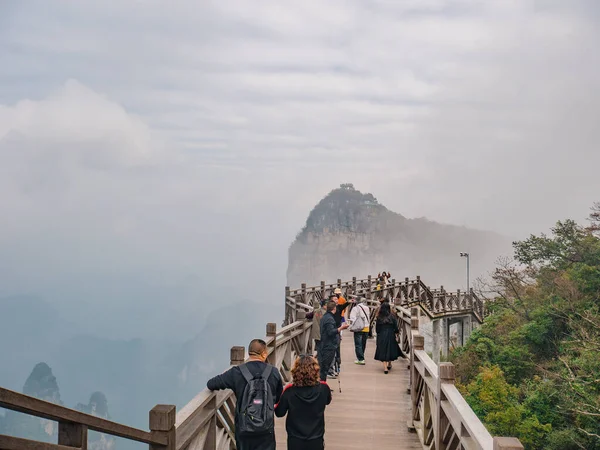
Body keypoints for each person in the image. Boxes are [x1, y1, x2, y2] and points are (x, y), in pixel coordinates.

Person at [206, 339, 283, 450]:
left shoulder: (236, 372)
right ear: (264, 354)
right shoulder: (274, 372)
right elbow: (276, 399)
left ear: (249, 353)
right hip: (266, 428)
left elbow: (211, 384)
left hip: (244, 428)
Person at [275, 355, 332, 450]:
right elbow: (327, 401)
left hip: (295, 439)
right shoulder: (324, 388)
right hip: (316, 438)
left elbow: (279, 413)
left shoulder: (289, 391)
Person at [318, 300, 348, 381]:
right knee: (325, 368)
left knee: (324, 368)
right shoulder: (330, 319)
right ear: (334, 308)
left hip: (324, 344)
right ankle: (322, 386)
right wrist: (341, 328)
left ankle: (323, 385)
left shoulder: (325, 316)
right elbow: (331, 332)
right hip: (328, 346)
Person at [374, 302, 402, 374]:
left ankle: (385, 368)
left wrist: (378, 334)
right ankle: (389, 363)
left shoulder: (379, 317)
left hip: (382, 334)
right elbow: (395, 326)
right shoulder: (392, 316)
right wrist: (396, 332)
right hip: (390, 334)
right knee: (390, 348)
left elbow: (377, 328)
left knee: (383, 349)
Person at [348, 296, 370, 365]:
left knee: (358, 344)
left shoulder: (355, 308)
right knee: (363, 343)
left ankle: (360, 359)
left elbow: (352, 318)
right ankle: (361, 356)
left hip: (358, 328)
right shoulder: (367, 308)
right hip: (366, 327)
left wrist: (350, 326)